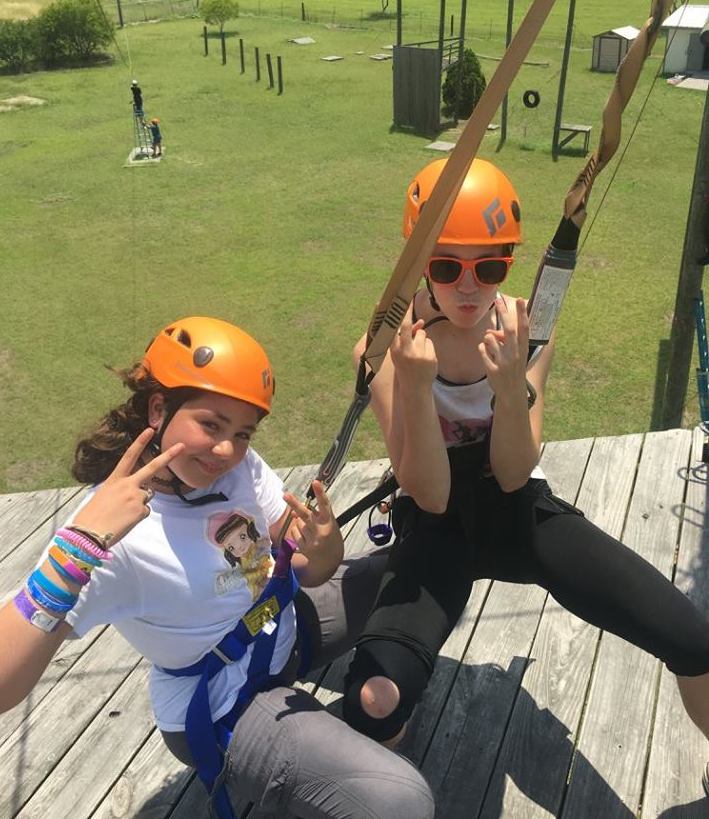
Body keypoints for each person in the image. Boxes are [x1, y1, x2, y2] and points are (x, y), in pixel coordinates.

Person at [341, 159, 709, 791]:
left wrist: (511, 389)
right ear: (418, 259)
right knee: (374, 699)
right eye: (447, 265)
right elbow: (427, 493)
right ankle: (389, 794)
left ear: (508, 262)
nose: (468, 286)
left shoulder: (522, 328)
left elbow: (513, 474)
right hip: (436, 527)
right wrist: (417, 382)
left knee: (694, 640)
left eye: (490, 266)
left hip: (515, 514)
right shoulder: (385, 347)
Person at [0, 316, 434, 819]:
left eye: (243, 433)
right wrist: (75, 551)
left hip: (278, 630)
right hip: (222, 700)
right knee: (399, 799)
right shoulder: (109, 536)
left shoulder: (237, 470)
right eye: (211, 425)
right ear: (160, 408)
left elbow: (308, 569)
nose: (227, 449)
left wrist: (324, 546)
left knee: (416, 563)